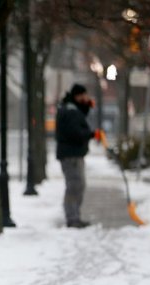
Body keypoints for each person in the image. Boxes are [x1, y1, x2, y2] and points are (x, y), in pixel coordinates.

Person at [55, 83, 99, 228]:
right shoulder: (70, 110)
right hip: (71, 155)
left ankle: (74, 217)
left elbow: (79, 121)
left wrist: (86, 106)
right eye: (84, 95)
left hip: (73, 154)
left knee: (78, 185)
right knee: (75, 185)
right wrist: (92, 134)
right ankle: (72, 218)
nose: (86, 97)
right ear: (78, 96)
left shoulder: (71, 108)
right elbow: (76, 132)